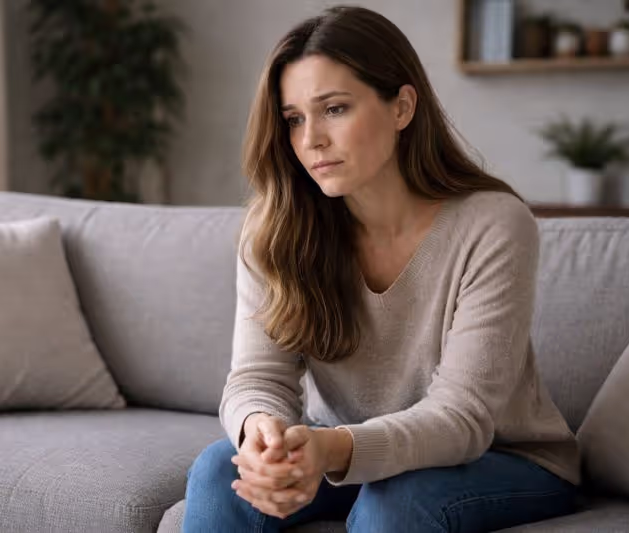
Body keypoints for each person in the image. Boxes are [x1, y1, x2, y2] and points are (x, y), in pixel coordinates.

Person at [182, 6, 580, 533]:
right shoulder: (275, 229)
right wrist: (266, 436)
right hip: (343, 449)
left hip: (502, 458)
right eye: (294, 119)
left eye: (335, 109)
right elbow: (258, 377)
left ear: (402, 107)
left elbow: (463, 416)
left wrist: (333, 448)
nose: (312, 140)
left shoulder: (493, 224)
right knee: (219, 470)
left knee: (397, 500)